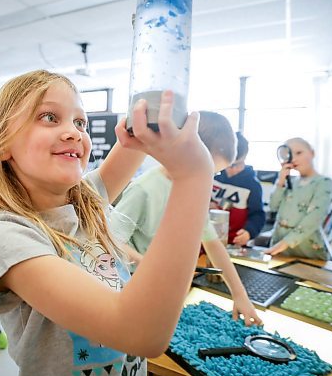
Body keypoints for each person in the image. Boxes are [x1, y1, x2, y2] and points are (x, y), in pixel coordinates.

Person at [0, 68, 214, 376]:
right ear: (1, 144)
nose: (73, 132)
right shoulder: (4, 235)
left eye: (79, 122)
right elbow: (140, 333)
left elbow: (135, 136)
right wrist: (194, 178)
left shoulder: (85, 200)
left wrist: (153, 94)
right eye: (50, 117)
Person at [111, 112, 262, 326]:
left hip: (163, 287)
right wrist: (146, 264)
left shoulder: (194, 191)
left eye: (213, 173)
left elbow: (213, 244)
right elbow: (109, 239)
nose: (207, 178)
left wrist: (240, 296)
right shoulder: (144, 189)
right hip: (130, 285)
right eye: (206, 168)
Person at [265, 137, 332, 260]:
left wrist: (285, 243)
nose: (295, 158)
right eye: (290, 155)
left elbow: (314, 218)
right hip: (280, 252)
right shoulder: (290, 182)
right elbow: (273, 206)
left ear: (312, 153)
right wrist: (280, 180)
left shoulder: (324, 183)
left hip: (308, 255)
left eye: (299, 153)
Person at [211, 132, 265, 246]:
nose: (232, 170)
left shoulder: (252, 185)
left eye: (238, 165)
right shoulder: (214, 177)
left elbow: (258, 215)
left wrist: (249, 232)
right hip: (209, 238)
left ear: (245, 158)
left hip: (234, 242)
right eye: (229, 165)